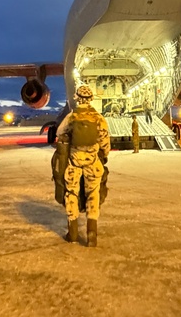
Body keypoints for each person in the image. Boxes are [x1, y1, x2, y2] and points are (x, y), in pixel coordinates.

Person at [53, 84, 110, 246]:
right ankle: (92, 233)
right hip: (93, 162)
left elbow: (59, 132)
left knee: (71, 193)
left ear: (77, 98)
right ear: (91, 99)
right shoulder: (98, 118)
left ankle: (72, 233)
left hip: (74, 162)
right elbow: (105, 140)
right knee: (93, 194)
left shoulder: (72, 117)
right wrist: (103, 155)